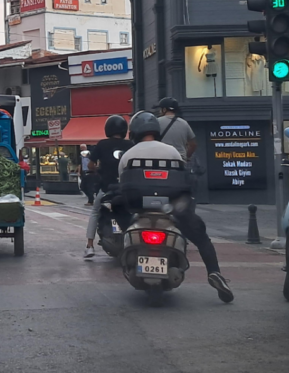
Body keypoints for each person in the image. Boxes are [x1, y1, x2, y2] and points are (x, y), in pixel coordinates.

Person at [119, 111, 234, 303]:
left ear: (134, 132)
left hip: (139, 210)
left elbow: (121, 186)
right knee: (202, 238)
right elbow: (182, 180)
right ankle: (214, 272)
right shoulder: (172, 151)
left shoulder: (128, 155)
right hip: (170, 209)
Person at [84, 115, 133, 258]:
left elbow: (90, 164)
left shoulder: (102, 144)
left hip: (106, 189)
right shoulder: (130, 145)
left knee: (95, 212)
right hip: (126, 189)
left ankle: (90, 246)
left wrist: (98, 169)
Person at [156, 97, 197, 162]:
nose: (159, 111)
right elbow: (193, 145)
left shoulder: (157, 122)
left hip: (162, 160)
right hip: (180, 161)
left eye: (160, 109)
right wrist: (187, 157)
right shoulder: (184, 123)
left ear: (164, 109)